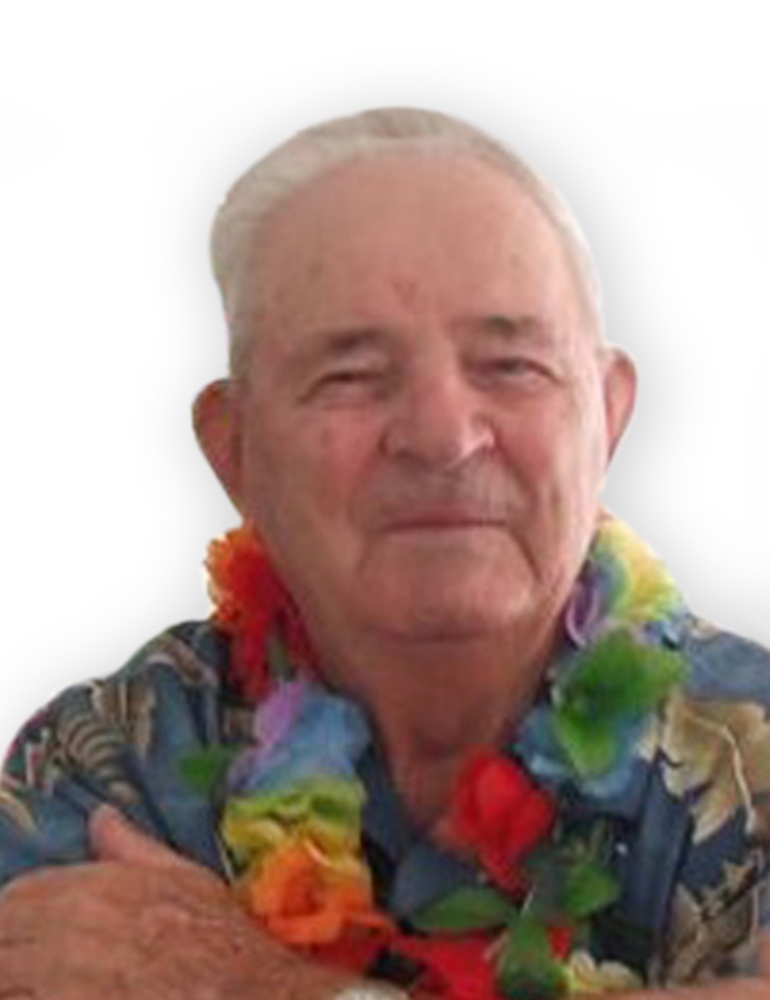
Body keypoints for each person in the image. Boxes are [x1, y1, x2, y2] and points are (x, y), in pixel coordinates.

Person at [0, 107, 768, 1000]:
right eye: (352, 377)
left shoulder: (748, 759)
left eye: (510, 366)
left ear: (608, 417)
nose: (443, 437)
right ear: (234, 450)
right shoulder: (114, 757)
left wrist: (256, 987)